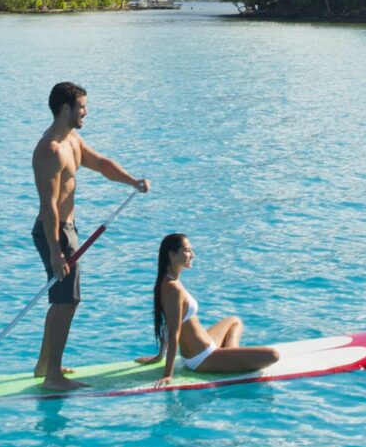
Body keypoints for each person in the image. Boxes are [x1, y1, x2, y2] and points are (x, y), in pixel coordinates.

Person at [31, 80, 149, 391]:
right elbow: (49, 205)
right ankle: (53, 376)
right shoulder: (50, 150)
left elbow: (101, 164)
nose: (86, 112)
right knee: (67, 301)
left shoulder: (72, 141)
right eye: (82, 107)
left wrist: (132, 181)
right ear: (65, 108)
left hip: (65, 231)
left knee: (61, 300)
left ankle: (45, 365)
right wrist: (57, 251)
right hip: (55, 232)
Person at [152, 232, 279, 379]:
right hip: (202, 358)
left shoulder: (171, 281)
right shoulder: (172, 287)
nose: (192, 255)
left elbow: (167, 322)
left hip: (205, 346)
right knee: (273, 355)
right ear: (172, 255)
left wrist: (160, 356)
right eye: (187, 251)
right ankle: (232, 357)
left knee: (234, 321)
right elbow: (174, 332)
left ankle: (231, 354)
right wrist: (168, 375)